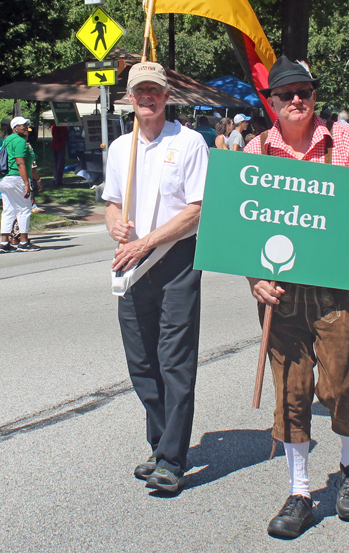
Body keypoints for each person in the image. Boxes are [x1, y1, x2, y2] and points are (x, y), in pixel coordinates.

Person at [244, 56, 349, 538]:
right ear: (272, 102)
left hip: (338, 287)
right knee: (291, 389)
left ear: (314, 96)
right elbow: (240, 225)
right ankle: (300, 490)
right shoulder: (257, 148)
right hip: (281, 290)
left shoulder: (346, 141)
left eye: (304, 91)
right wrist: (254, 280)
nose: (296, 100)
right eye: (286, 94)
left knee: (341, 384)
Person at [102, 62, 209, 494]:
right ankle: (160, 443)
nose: (147, 97)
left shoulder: (189, 143)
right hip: (131, 265)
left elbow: (197, 209)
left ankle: (171, 459)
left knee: (174, 362)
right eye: (139, 91)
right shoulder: (119, 149)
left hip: (176, 260)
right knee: (142, 362)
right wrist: (114, 225)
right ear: (128, 98)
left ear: (167, 96)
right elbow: (111, 202)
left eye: (155, 90)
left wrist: (146, 244)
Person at [0, 117, 42, 252]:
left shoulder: (7, 140)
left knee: (8, 210)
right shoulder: (20, 142)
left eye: (26, 125)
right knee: (24, 209)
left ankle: (4, 242)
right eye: (22, 125)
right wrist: (26, 182)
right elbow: (20, 162)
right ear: (14, 128)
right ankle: (24, 242)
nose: (25, 127)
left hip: (5, 179)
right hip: (16, 178)